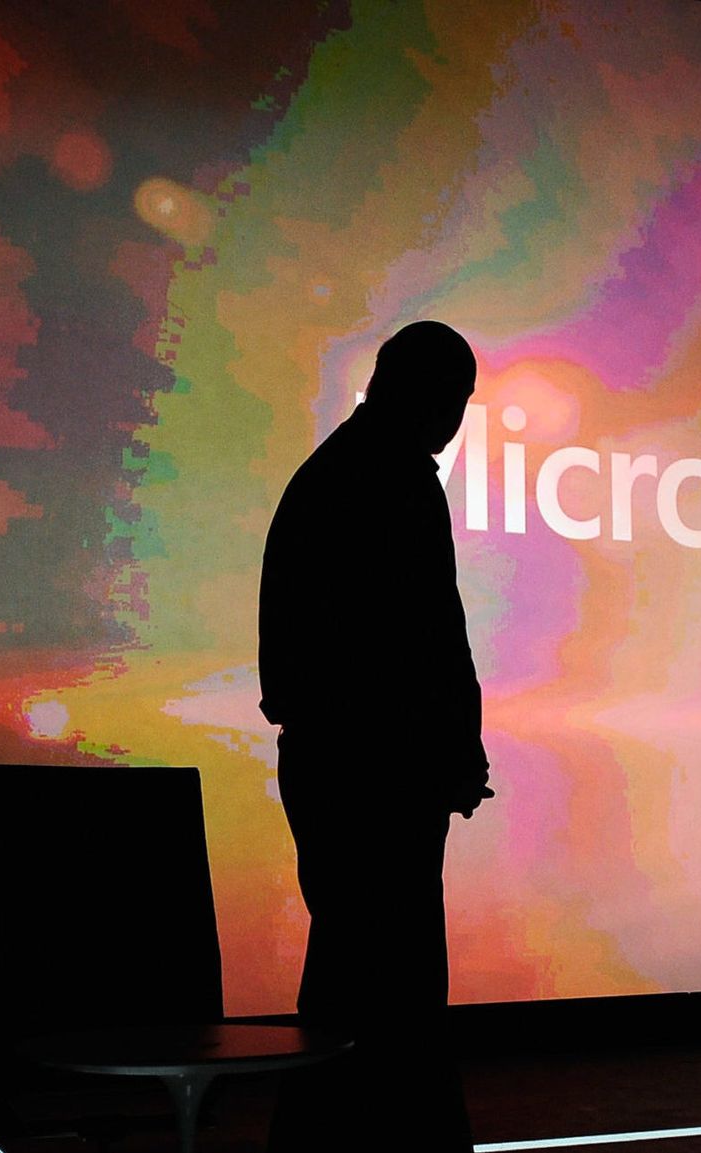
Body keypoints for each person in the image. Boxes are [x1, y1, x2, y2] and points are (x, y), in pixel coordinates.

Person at [260, 320, 493, 1150]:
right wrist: (443, 749)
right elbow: (424, 639)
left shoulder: (339, 474)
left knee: (354, 979)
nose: (454, 418)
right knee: (389, 986)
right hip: (376, 775)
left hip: (353, 766)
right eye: (452, 397)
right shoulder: (387, 482)